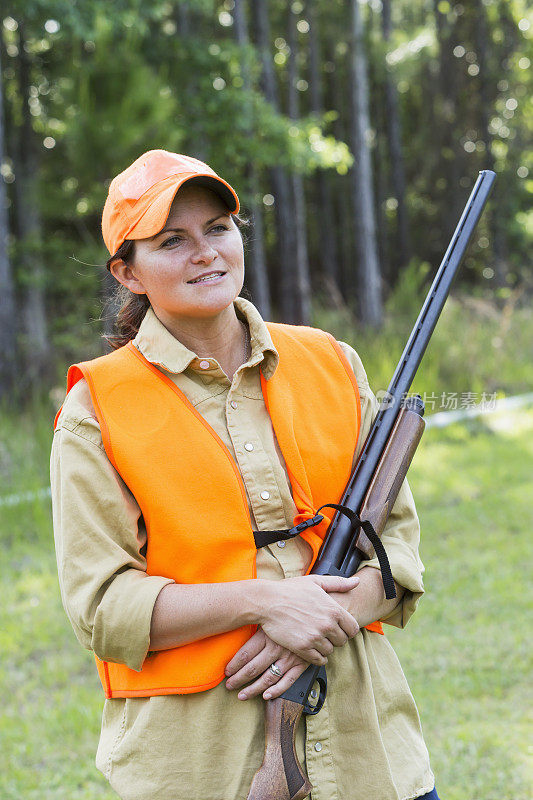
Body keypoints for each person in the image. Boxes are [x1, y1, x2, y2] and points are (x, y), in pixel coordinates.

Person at [51, 149, 440, 800]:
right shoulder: (96, 410)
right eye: (172, 240)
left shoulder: (330, 361)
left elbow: (395, 548)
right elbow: (102, 608)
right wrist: (265, 602)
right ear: (128, 271)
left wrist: (328, 614)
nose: (204, 252)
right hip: (202, 769)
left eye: (218, 229)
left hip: (373, 760)